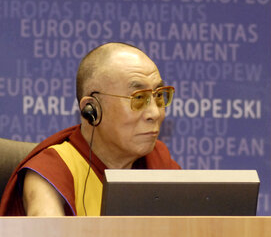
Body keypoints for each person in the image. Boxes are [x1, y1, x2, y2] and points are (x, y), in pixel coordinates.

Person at [0, 42, 180, 216]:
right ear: (92, 109)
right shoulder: (51, 170)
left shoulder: (158, 163)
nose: (155, 113)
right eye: (139, 98)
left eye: (158, 96)